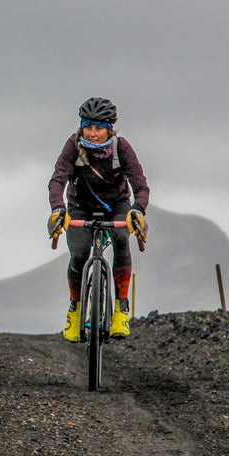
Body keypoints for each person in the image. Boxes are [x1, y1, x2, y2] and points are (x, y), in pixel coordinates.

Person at [47, 97, 149, 341]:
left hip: (117, 205)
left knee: (123, 240)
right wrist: (58, 208)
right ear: (81, 126)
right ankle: (75, 309)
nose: (92, 134)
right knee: (79, 254)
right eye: (88, 127)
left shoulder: (121, 148)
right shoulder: (73, 145)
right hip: (80, 206)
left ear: (109, 129)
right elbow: (57, 180)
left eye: (99, 128)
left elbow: (140, 186)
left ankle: (121, 309)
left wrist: (138, 210)